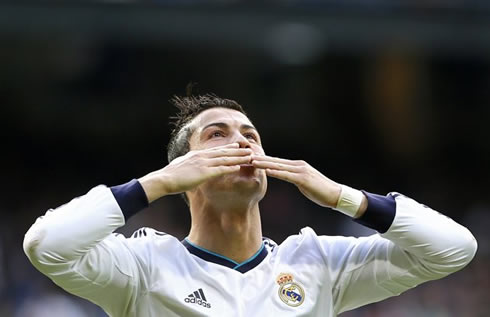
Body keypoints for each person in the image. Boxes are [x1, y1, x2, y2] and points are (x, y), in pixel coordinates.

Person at [24, 94, 477, 317]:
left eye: (250, 135)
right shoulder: (142, 268)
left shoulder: (318, 264)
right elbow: (46, 244)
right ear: (188, 168)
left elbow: (455, 248)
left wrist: (344, 197)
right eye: (216, 135)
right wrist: (156, 183)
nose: (240, 142)